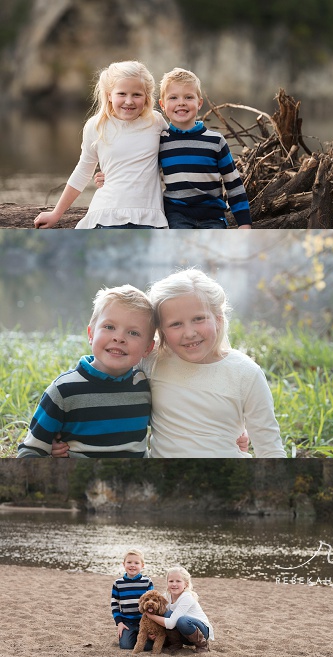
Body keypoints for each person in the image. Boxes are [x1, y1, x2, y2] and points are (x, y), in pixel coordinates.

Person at [143, 268, 285, 457]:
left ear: (218, 319)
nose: (190, 332)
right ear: (161, 330)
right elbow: (109, 370)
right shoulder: (152, 360)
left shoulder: (245, 373)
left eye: (198, 319)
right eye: (176, 324)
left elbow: (270, 448)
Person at [17, 285, 155, 457]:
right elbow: (31, 450)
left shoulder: (144, 386)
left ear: (148, 348)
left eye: (133, 332)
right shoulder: (64, 390)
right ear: (91, 334)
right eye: (109, 327)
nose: (119, 337)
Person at [33, 60, 168, 229]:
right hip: (106, 215)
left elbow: (175, 155)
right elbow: (83, 171)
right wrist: (56, 214)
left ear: (147, 96)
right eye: (122, 94)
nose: (129, 101)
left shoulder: (156, 122)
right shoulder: (96, 126)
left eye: (136, 95)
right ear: (109, 95)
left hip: (149, 217)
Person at [157, 67, 252, 228]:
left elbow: (233, 183)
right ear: (163, 105)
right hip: (177, 215)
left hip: (212, 216)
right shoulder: (161, 141)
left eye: (188, 97)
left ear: (199, 103)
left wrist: (244, 223)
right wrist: (107, 175)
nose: (181, 102)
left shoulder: (215, 141)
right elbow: (140, 169)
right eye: (173, 97)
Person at [144, 566, 214, 654]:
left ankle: (202, 645)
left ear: (186, 584)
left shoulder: (187, 597)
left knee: (182, 620)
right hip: (184, 636)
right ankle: (176, 644)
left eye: (178, 581)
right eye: (171, 581)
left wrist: (150, 615)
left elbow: (170, 624)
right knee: (167, 614)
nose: (174, 584)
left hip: (201, 631)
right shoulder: (166, 596)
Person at [112, 549, 155, 651]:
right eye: (129, 562)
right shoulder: (118, 583)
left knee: (147, 647)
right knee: (126, 646)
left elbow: (152, 604)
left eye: (136, 563)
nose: (132, 565)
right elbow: (114, 604)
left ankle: (139, 635)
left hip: (144, 621)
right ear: (124, 564)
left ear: (142, 565)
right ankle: (132, 635)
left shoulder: (147, 582)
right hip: (127, 622)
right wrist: (119, 623)